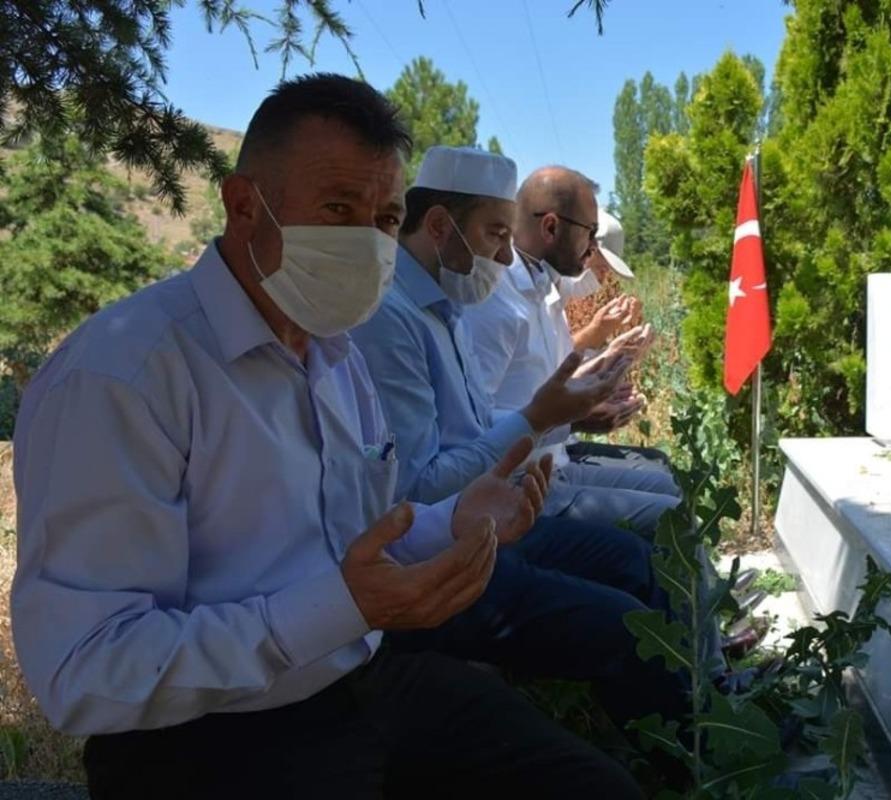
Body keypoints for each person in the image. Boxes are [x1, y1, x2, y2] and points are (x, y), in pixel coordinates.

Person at [9, 74, 643, 799]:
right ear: (244, 205)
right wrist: (340, 609)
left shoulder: (336, 355)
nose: (368, 244)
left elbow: (365, 535)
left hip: (359, 677)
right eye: (338, 208)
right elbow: (86, 669)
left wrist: (451, 523)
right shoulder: (125, 375)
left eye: (382, 218)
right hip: (205, 744)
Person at [351, 145, 689, 733]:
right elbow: (417, 488)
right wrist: (547, 420)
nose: (506, 256)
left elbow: (482, 427)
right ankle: (692, 752)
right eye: (494, 236)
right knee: (627, 623)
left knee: (639, 561)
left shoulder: (445, 306)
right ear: (438, 226)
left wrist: (561, 412)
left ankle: (697, 718)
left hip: (489, 515)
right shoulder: (394, 320)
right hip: (442, 548)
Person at [464, 166, 680, 538]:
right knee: (665, 521)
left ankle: (702, 591)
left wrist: (603, 375)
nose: (593, 250)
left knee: (667, 489)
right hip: (516, 489)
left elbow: (545, 382)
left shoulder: (541, 290)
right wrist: (574, 418)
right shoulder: (497, 301)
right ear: (550, 227)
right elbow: (470, 429)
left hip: (547, 466)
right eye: (590, 234)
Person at [561, 209, 673, 471]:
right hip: (553, 454)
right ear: (583, 249)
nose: (603, 280)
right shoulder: (538, 299)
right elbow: (552, 374)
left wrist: (615, 359)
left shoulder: (557, 300)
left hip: (562, 445)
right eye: (600, 268)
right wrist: (603, 346)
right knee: (659, 476)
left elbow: (563, 365)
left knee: (659, 463)